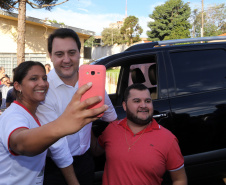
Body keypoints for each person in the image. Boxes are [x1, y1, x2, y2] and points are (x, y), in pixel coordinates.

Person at [0, 61, 108, 185]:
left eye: (44, 78)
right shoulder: (14, 115)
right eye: (34, 79)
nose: (42, 83)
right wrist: (62, 125)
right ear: (18, 86)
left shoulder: (33, 113)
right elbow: (20, 143)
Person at [36, 28, 117, 185]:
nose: (66, 59)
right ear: (50, 56)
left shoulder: (92, 81)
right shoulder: (44, 88)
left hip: (86, 161)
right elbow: (56, 145)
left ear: (79, 54)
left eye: (72, 52)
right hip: (55, 168)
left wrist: (101, 145)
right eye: (59, 54)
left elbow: (112, 118)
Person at [91, 83, 187, 185]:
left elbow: (180, 179)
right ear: (125, 106)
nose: (143, 105)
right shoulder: (112, 129)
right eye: (137, 101)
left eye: (147, 101)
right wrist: (87, 126)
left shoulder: (168, 139)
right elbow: (96, 150)